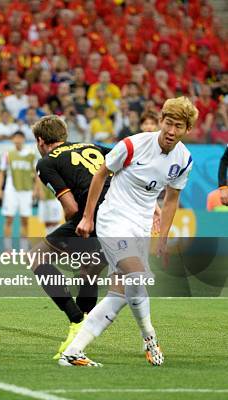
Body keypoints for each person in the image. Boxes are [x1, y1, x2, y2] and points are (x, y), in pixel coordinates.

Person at [62, 97, 199, 367]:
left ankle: (74, 352)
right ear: (160, 121)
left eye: (178, 126)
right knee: (136, 275)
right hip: (113, 220)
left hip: (139, 227)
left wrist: (162, 238)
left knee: (122, 293)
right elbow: (101, 174)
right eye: (168, 123)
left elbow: (171, 199)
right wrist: (88, 217)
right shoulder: (132, 145)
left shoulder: (184, 159)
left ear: (187, 130)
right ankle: (149, 336)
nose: (171, 131)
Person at [31, 115, 111, 359]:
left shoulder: (46, 162)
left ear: (41, 140)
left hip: (92, 214)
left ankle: (76, 320)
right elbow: (126, 161)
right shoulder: (93, 146)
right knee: (89, 269)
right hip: (120, 213)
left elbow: (71, 208)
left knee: (37, 258)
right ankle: (80, 337)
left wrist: (72, 233)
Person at [0, 131, 36, 251]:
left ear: (23, 139)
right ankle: (8, 249)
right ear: (13, 140)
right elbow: (1, 172)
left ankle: (24, 249)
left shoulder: (31, 154)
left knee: (25, 220)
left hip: (26, 190)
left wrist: (35, 189)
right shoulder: (8, 154)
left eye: (20, 138)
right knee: (9, 219)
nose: (18, 140)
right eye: (15, 138)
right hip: (11, 190)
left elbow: (35, 174)